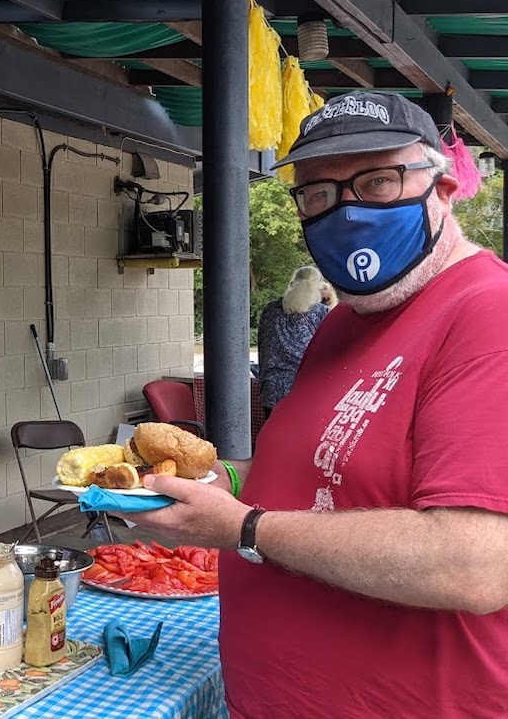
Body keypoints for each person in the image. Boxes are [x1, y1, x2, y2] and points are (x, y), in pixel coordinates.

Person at [123, 92, 508, 718]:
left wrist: (243, 527)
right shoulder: (344, 321)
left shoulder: (487, 313)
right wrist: (226, 484)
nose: (346, 211)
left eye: (378, 181)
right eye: (318, 195)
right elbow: (321, 475)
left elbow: (476, 562)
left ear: (441, 187)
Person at [257, 265, 329, 417]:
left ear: (293, 282)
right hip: (306, 389)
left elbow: (263, 347)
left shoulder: (271, 310)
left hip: (273, 388)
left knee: (273, 436)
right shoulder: (321, 313)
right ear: (317, 285)